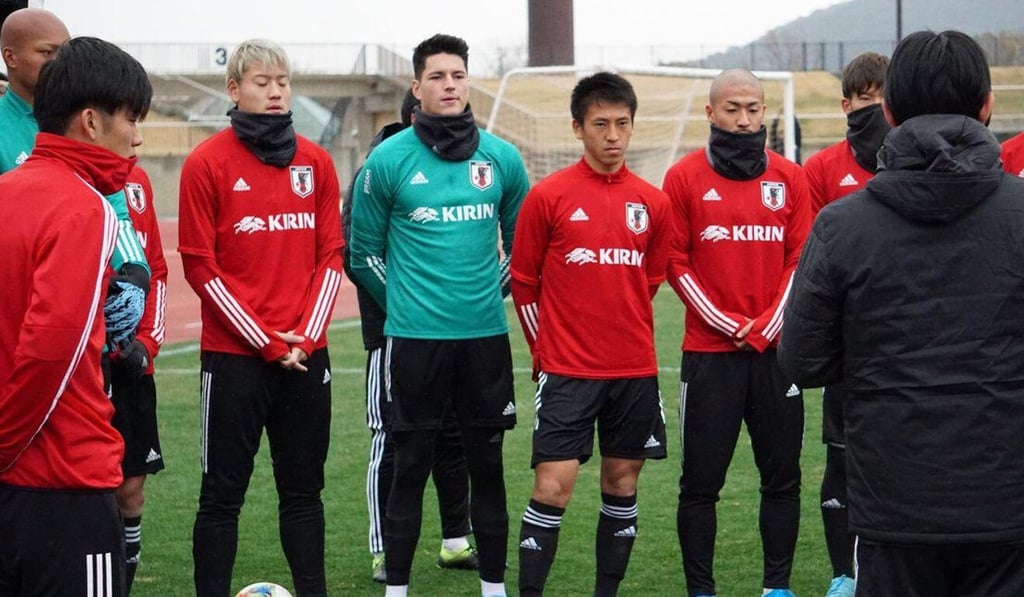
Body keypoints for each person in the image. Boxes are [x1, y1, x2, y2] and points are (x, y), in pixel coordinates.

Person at [779, 30, 1024, 597]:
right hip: (1002, 499)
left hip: (895, 502)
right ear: (987, 106)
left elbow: (802, 357)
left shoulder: (843, 225)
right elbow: (805, 358)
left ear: (887, 111)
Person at [348, 33, 529, 597]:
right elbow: (362, 255)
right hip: (414, 342)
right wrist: (404, 304)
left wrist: (486, 295)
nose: (449, 85)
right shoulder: (388, 159)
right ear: (416, 86)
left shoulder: (501, 157)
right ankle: (397, 588)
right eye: (436, 77)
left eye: (457, 75)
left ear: (467, 81)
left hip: (484, 340)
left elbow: (522, 250)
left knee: (488, 467)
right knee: (410, 465)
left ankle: (494, 588)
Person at [178, 38, 343, 596]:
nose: (275, 92)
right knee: (221, 498)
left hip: (305, 356)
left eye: (282, 82)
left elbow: (331, 257)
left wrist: (308, 337)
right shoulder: (207, 163)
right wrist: (268, 341)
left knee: (303, 494)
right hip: (234, 363)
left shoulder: (316, 162)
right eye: (261, 82)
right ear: (235, 89)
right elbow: (200, 267)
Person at [0, 35, 152, 596]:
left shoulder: (6, 191)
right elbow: (52, 352)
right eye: (131, 118)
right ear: (91, 121)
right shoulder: (84, 206)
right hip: (61, 481)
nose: (137, 137)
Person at [511, 72, 670, 597]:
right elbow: (524, 282)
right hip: (567, 372)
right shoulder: (548, 197)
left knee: (621, 484)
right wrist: (548, 350)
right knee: (552, 488)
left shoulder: (653, 201)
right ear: (577, 128)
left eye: (622, 124)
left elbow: (647, 280)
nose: (613, 136)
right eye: (600, 124)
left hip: (634, 371)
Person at [661, 68, 811, 597]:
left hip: (776, 354)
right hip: (709, 355)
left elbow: (801, 259)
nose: (744, 119)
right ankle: (702, 590)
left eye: (753, 108)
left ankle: (777, 588)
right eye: (733, 109)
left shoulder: (790, 179)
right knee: (700, 485)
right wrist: (728, 325)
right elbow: (675, 261)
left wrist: (769, 324)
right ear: (710, 113)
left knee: (783, 478)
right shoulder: (682, 178)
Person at [341, 89, 478, 584]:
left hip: (458, 335)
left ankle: (455, 540)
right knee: (393, 438)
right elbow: (356, 254)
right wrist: (408, 309)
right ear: (414, 119)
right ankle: (383, 550)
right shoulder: (378, 169)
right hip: (394, 336)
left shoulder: (463, 163)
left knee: (456, 435)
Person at [0, 7, 150, 354]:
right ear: (11, 57)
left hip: (83, 308)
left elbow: (113, 206)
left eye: (63, 51)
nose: (58, 62)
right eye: (47, 52)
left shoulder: (86, 122)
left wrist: (133, 270)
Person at [799, 50, 889, 597]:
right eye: (865, 99)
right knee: (841, 457)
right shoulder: (823, 169)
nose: (874, 109)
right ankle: (843, 574)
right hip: (849, 348)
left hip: (902, 341)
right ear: (846, 104)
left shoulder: (910, 161)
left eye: (883, 99)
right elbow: (816, 261)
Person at [109, 165, 169, 594]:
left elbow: (156, 271)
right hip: (74, 367)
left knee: (130, 490)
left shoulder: (138, 182)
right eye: (128, 120)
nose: (137, 138)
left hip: (131, 368)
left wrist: (147, 343)